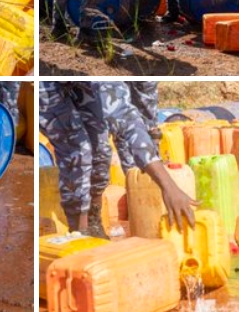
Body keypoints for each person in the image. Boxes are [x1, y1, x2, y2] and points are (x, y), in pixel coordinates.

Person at [39, 81, 198, 238]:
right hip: (47, 86)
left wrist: (168, 186)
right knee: (78, 151)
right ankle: (79, 232)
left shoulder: (107, 84)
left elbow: (130, 124)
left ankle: (94, 220)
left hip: (83, 82)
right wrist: (169, 187)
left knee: (101, 149)